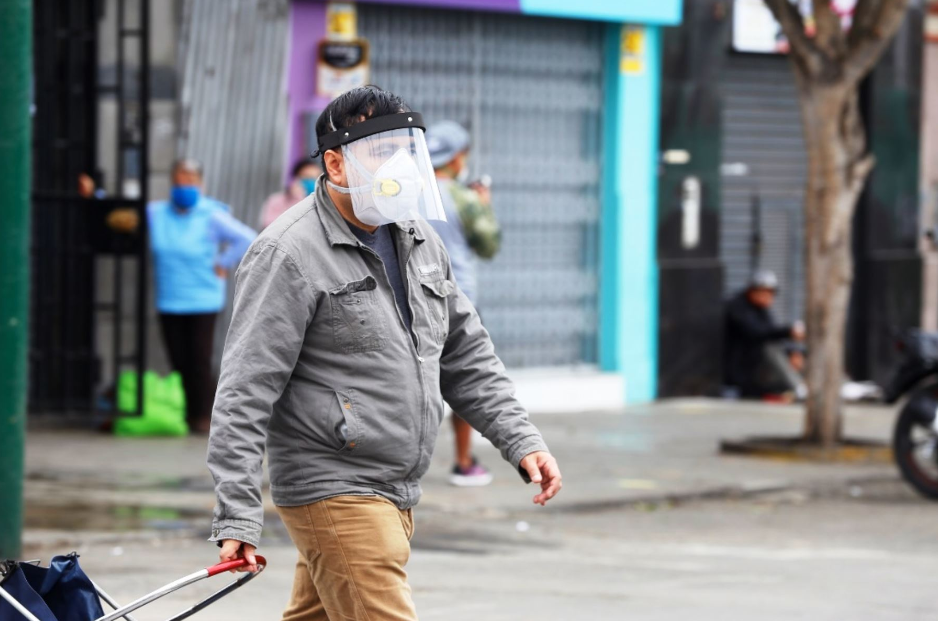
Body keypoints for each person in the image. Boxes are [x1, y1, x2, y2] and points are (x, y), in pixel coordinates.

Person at [207, 86, 562, 620]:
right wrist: (236, 512)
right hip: (333, 485)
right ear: (335, 162)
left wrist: (519, 438)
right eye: (380, 151)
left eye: (405, 150)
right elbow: (245, 389)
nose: (399, 166)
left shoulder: (419, 237)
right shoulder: (288, 252)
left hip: (395, 485)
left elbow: (465, 355)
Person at [148, 158, 257, 433]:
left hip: (203, 298)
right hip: (169, 297)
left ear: (201, 184)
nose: (185, 186)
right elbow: (124, 217)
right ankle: (184, 413)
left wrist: (223, 262)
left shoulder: (211, 214)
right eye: (180, 180)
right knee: (177, 359)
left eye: (191, 181)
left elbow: (246, 237)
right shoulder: (156, 213)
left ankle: (204, 418)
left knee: (199, 359)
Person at [425, 120, 502, 487]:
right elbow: (488, 245)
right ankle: (463, 461)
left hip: (410, 300)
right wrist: (484, 206)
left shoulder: (406, 195)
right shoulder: (465, 198)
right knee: (465, 382)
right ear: (457, 159)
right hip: (459, 301)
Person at [724, 269, 806, 401]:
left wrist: (793, 351)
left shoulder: (761, 309)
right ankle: (798, 387)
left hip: (758, 367)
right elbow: (758, 333)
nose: (768, 297)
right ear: (752, 291)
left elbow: (773, 331)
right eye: (764, 292)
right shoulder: (737, 307)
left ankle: (825, 385)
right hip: (741, 370)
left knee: (801, 351)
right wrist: (789, 331)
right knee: (770, 347)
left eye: (771, 293)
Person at [259, 159, 323, 229]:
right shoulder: (276, 200)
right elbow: (269, 226)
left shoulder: (322, 202)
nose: (313, 181)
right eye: (308, 177)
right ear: (296, 179)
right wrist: (297, 200)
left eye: (316, 177)